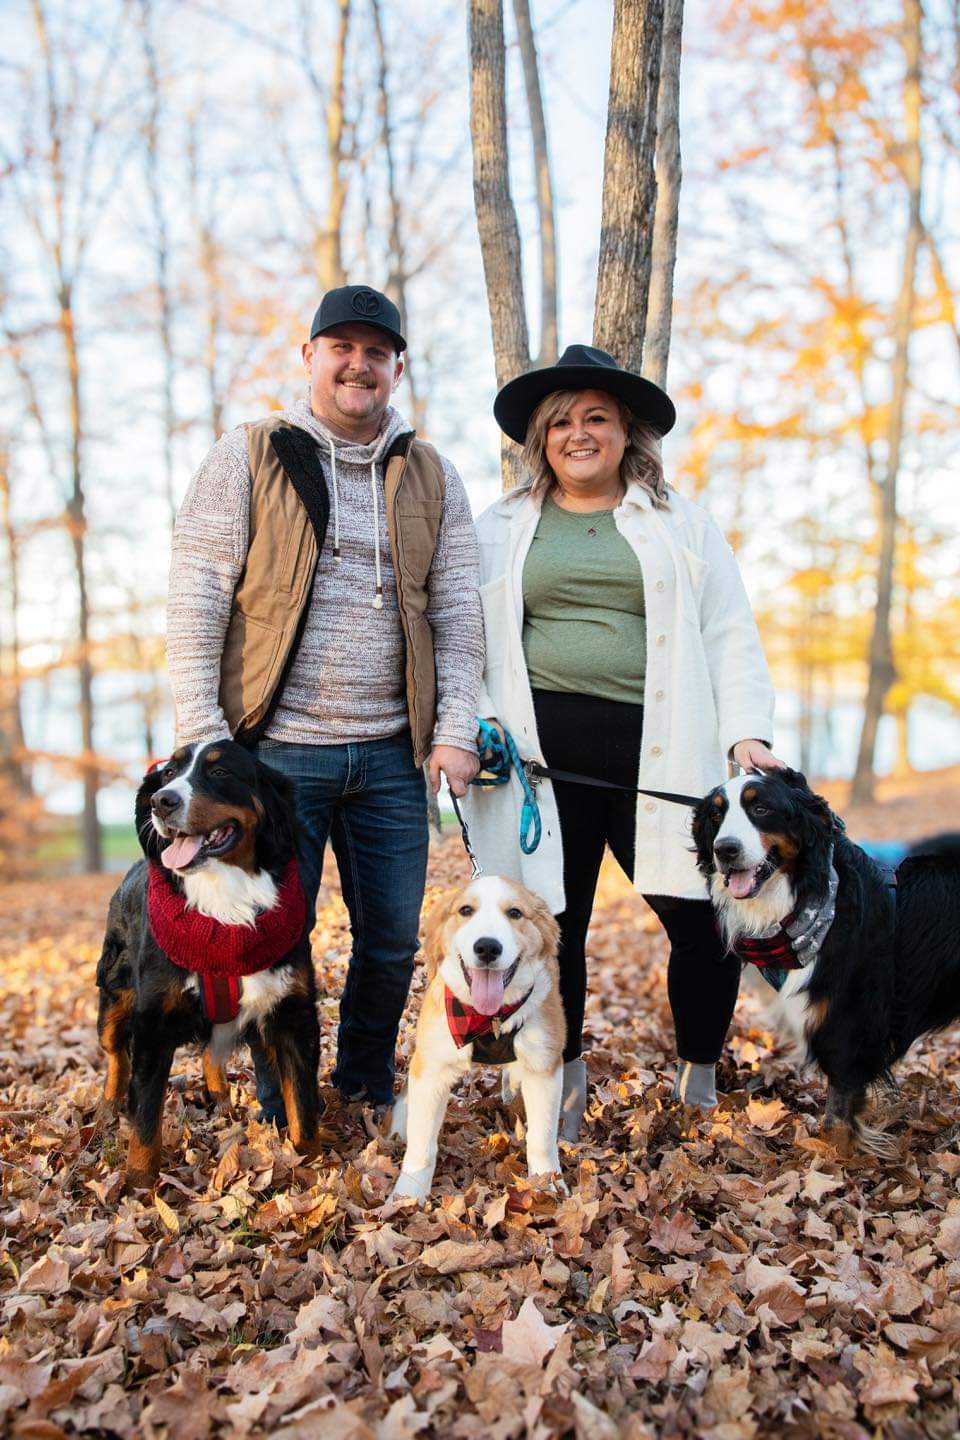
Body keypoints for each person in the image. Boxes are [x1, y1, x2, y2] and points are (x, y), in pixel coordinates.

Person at [167, 284, 483, 1121]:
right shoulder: (250, 454)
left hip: (390, 754)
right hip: (272, 755)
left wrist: (453, 729)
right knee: (276, 939)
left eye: (375, 352)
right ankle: (285, 1099)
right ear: (310, 357)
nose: (358, 363)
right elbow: (197, 594)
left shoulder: (430, 473)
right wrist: (203, 735)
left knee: (388, 941)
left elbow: (457, 611)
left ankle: (366, 1084)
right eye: (340, 347)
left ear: (395, 367)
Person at [464, 344, 784, 1140]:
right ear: (540, 438)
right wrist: (471, 724)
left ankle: (699, 1077)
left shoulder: (680, 520)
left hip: (660, 753)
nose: (579, 433)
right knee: (549, 922)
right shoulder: (499, 526)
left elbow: (728, 629)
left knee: (705, 920)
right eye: (562, 421)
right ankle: (557, 1089)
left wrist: (747, 732)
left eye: (596, 418)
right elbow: (458, 636)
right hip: (537, 761)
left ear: (625, 432)